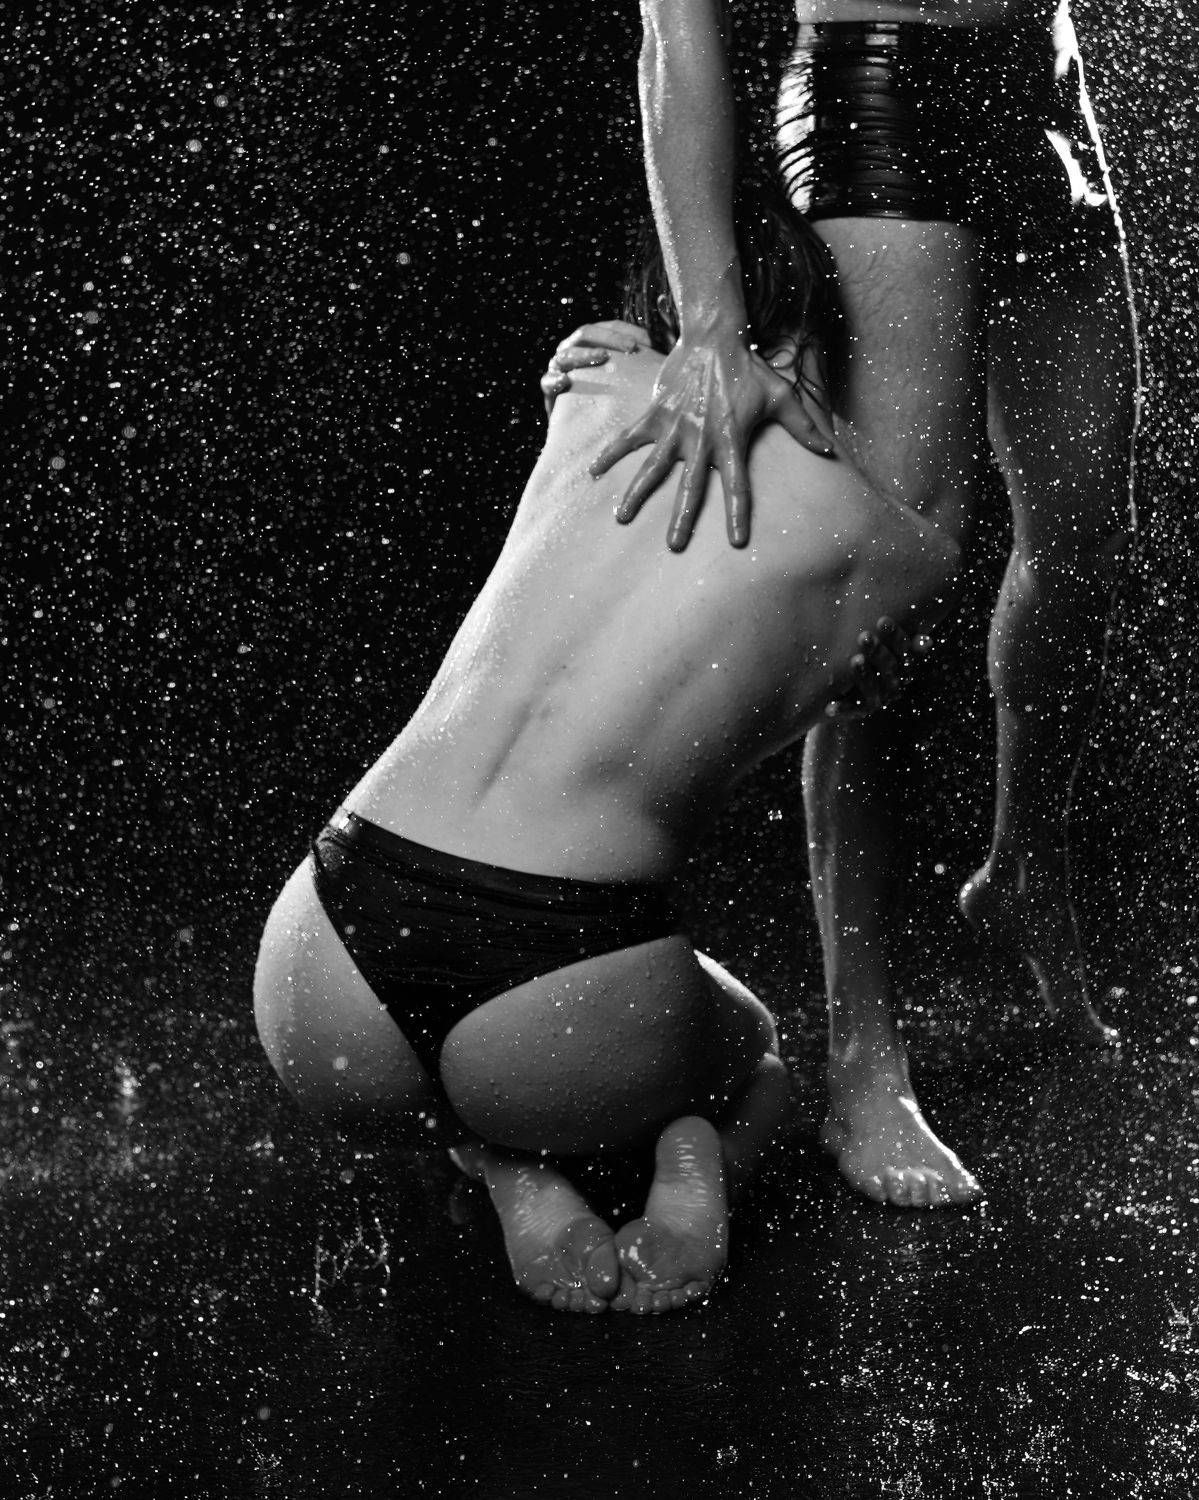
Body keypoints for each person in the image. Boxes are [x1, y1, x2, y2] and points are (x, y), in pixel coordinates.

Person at [253, 182, 962, 1319]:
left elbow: (617, 350)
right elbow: (820, 706)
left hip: (320, 961)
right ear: (835, 333)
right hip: (563, 975)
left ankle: (506, 1164)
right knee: (757, 1058)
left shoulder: (592, 378)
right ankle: (687, 1159)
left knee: (466, 1091)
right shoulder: (889, 545)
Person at [548, 0, 1139, 1208]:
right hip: (882, 91)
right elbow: (672, 33)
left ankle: (1019, 866)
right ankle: (862, 1063)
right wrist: (709, 323)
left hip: (1044, 83)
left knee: (1086, 542)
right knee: (893, 586)